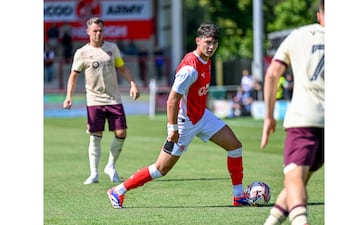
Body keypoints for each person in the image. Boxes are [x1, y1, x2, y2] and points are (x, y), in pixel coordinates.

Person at [107, 23, 250, 208]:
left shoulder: (207, 59)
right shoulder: (189, 69)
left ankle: (238, 197)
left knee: (235, 146)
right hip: (184, 123)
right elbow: (172, 100)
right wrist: (172, 129)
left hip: (202, 117)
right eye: (207, 42)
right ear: (197, 41)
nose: (211, 46)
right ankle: (118, 191)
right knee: (160, 169)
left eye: (214, 43)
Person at [260, 0, 324, 225]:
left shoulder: (299, 35)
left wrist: (269, 117)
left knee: (294, 176)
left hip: (305, 119)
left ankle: (299, 221)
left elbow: (271, 74)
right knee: (298, 180)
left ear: (319, 15)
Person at [63, 17, 140, 185]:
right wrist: (69, 95)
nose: (98, 34)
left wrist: (132, 83)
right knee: (95, 136)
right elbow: (73, 75)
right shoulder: (82, 53)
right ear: (88, 32)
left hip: (114, 99)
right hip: (94, 100)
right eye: (95, 31)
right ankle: (94, 173)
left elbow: (121, 67)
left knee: (121, 133)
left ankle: (110, 166)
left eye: (101, 31)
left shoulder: (112, 48)